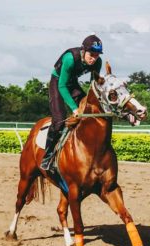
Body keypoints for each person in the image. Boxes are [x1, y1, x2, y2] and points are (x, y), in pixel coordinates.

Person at [40, 34, 103, 170]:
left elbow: (94, 85)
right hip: (58, 82)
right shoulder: (70, 58)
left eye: (97, 55)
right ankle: (48, 156)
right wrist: (74, 109)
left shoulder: (98, 62)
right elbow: (62, 85)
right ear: (83, 50)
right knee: (59, 120)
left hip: (72, 82)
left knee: (88, 111)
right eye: (91, 54)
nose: (93, 59)